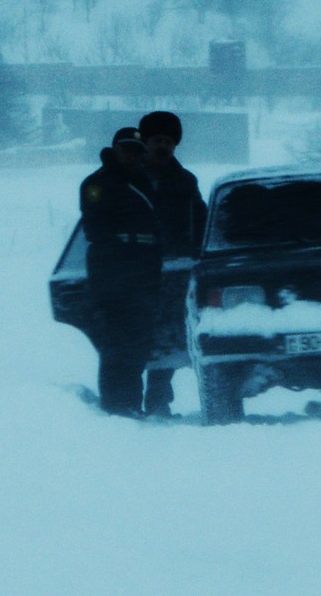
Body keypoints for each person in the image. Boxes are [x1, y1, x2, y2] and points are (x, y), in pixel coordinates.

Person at [79, 127, 162, 417]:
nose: (132, 155)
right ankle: (116, 405)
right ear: (115, 150)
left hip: (143, 269)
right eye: (126, 149)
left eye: (137, 150)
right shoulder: (97, 184)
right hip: (113, 270)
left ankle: (131, 404)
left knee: (139, 342)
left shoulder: (146, 182)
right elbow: (95, 228)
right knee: (116, 342)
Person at [137, 110, 208, 418]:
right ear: (145, 142)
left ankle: (157, 402)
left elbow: (201, 221)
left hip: (177, 269)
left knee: (169, 336)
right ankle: (126, 401)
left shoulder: (185, 181)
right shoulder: (130, 178)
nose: (162, 146)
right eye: (156, 140)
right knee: (138, 336)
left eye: (168, 141)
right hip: (137, 269)